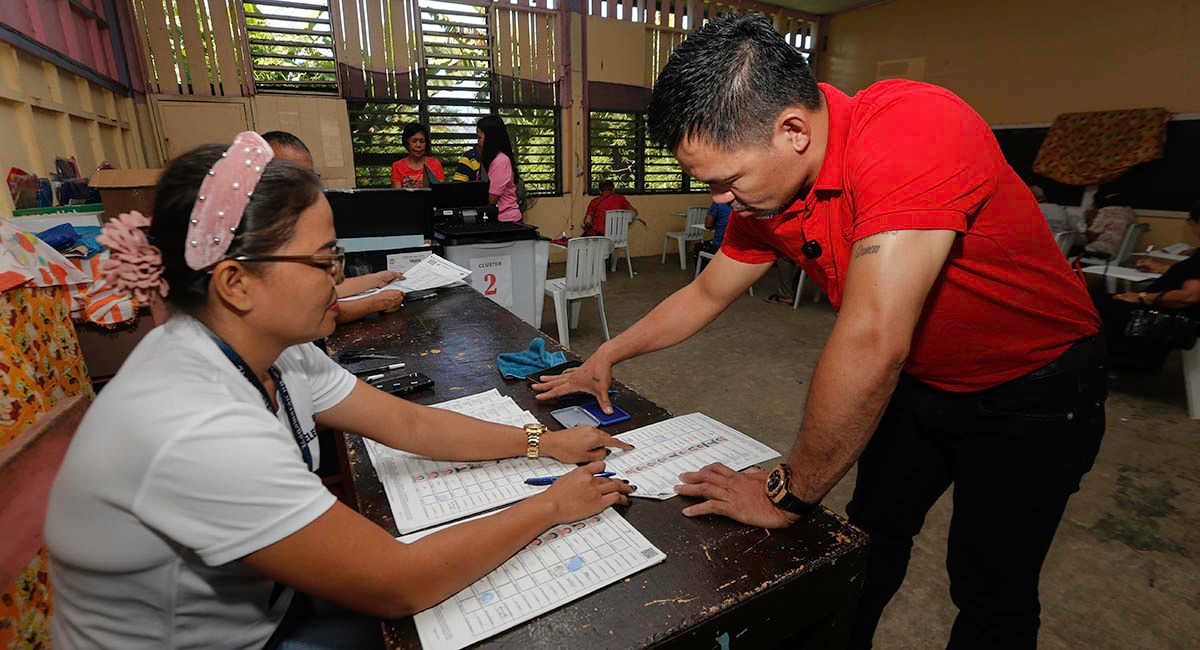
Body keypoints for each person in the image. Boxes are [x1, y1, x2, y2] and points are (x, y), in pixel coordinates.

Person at [532, 15, 1105, 650]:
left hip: (1032, 386)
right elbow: (705, 292)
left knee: (991, 587)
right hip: (921, 379)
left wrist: (787, 494)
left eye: (727, 180)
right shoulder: (768, 193)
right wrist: (608, 353)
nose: (719, 201)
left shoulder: (913, 129)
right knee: (867, 539)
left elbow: (872, 340)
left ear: (793, 131)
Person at [45, 132, 635, 650]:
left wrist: (541, 442)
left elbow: (410, 424)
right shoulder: (192, 422)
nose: (340, 276)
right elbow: (398, 582)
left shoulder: (277, 350)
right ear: (236, 283)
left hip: (265, 608)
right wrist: (551, 506)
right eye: (325, 258)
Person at [263, 130, 407, 323]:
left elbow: (325, 288)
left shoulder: (294, 221)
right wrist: (373, 303)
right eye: (290, 179)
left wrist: (375, 279)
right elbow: (303, 310)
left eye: (309, 179)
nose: (304, 190)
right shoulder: (255, 237)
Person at [1099, 202, 1200, 371]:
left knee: (1099, 305)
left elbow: (1189, 296)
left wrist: (1142, 297)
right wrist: (1163, 268)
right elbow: (1192, 275)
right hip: (1163, 307)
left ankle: (1105, 364)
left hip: (1163, 317)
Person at [477, 115, 523, 222]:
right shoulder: (490, 159)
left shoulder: (501, 161)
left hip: (507, 221)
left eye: (479, 138)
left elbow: (491, 199)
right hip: (495, 218)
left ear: (490, 139)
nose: (478, 142)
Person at [1081, 191, 1137, 258]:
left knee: (1073, 248)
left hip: (1103, 251)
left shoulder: (1106, 211)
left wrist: (1089, 219)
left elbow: (1091, 236)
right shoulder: (1131, 214)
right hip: (1122, 253)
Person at [391, 122, 444, 189]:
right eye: (414, 141)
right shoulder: (397, 166)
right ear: (407, 143)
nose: (418, 145)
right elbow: (397, 194)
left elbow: (440, 191)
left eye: (422, 141)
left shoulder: (435, 164)